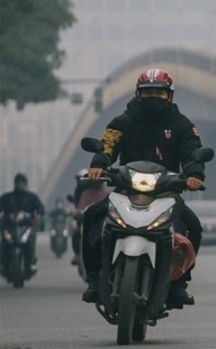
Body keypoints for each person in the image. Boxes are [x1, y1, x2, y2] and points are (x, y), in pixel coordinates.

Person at [81, 68, 206, 308]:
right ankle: (95, 280)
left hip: (166, 192)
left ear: (169, 96)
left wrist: (194, 175)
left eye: (158, 93)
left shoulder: (181, 124)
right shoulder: (122, 122)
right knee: (92, 217)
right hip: (126, 190)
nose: (153, 98)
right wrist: (99, 164)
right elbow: (107, 145)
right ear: (138, 95)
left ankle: (179, 284)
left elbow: (192, 153)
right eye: (147, 92)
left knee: (193, 227)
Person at [0, 173, 45, 276]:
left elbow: (40, 209)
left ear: (25, 184)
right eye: (18, 182)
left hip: (26, 226)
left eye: (22, 182)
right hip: (9, 227)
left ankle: (32, 262)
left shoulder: (32, 197)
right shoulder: (7, 197)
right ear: (14, 183)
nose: (19, 185)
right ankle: (2, 263)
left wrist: (38, 215)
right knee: (3, 241)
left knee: (32, 237)